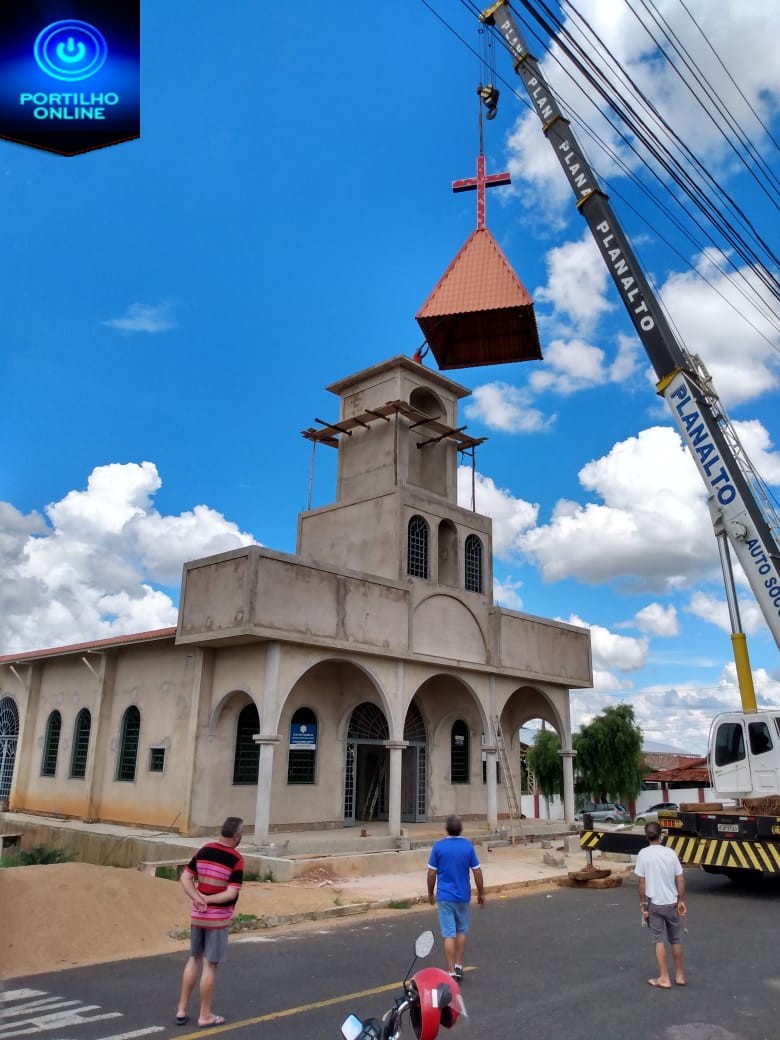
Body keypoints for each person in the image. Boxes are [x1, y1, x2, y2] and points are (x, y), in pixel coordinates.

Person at [175, 816, 244, 1027]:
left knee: (193, 959)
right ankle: (205, 1015)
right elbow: (231, 893)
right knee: (210, 965)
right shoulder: (236, 859)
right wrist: (209, 899)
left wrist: (197, 898)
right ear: (237, 836)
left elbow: (185, 878)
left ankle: (181, 1010)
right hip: (217, 920)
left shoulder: (203, 850)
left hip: (198, 917)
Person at [427, 814, 485, 982]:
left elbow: (431, 873)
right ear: (461, 829)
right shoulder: (468, 847)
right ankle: (459, 965)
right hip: (463, 896)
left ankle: (451, 970)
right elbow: (477, 872)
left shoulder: (438, 847)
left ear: (446, 828)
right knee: (461, 931)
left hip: (445, 897)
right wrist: (481, 893)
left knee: (448, 934)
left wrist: (430, 893)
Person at [634, 820, 687, 989]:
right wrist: (681, 900)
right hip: (671, 902)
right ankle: (679, 975)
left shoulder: (643, 854)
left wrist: (643, 905)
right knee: (676, 939)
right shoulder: (670, 853)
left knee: (659, 940)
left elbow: (642, 882)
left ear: (646, 835)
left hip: (655, 904)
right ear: (661, 835)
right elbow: (680, 878)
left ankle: (664, 977)